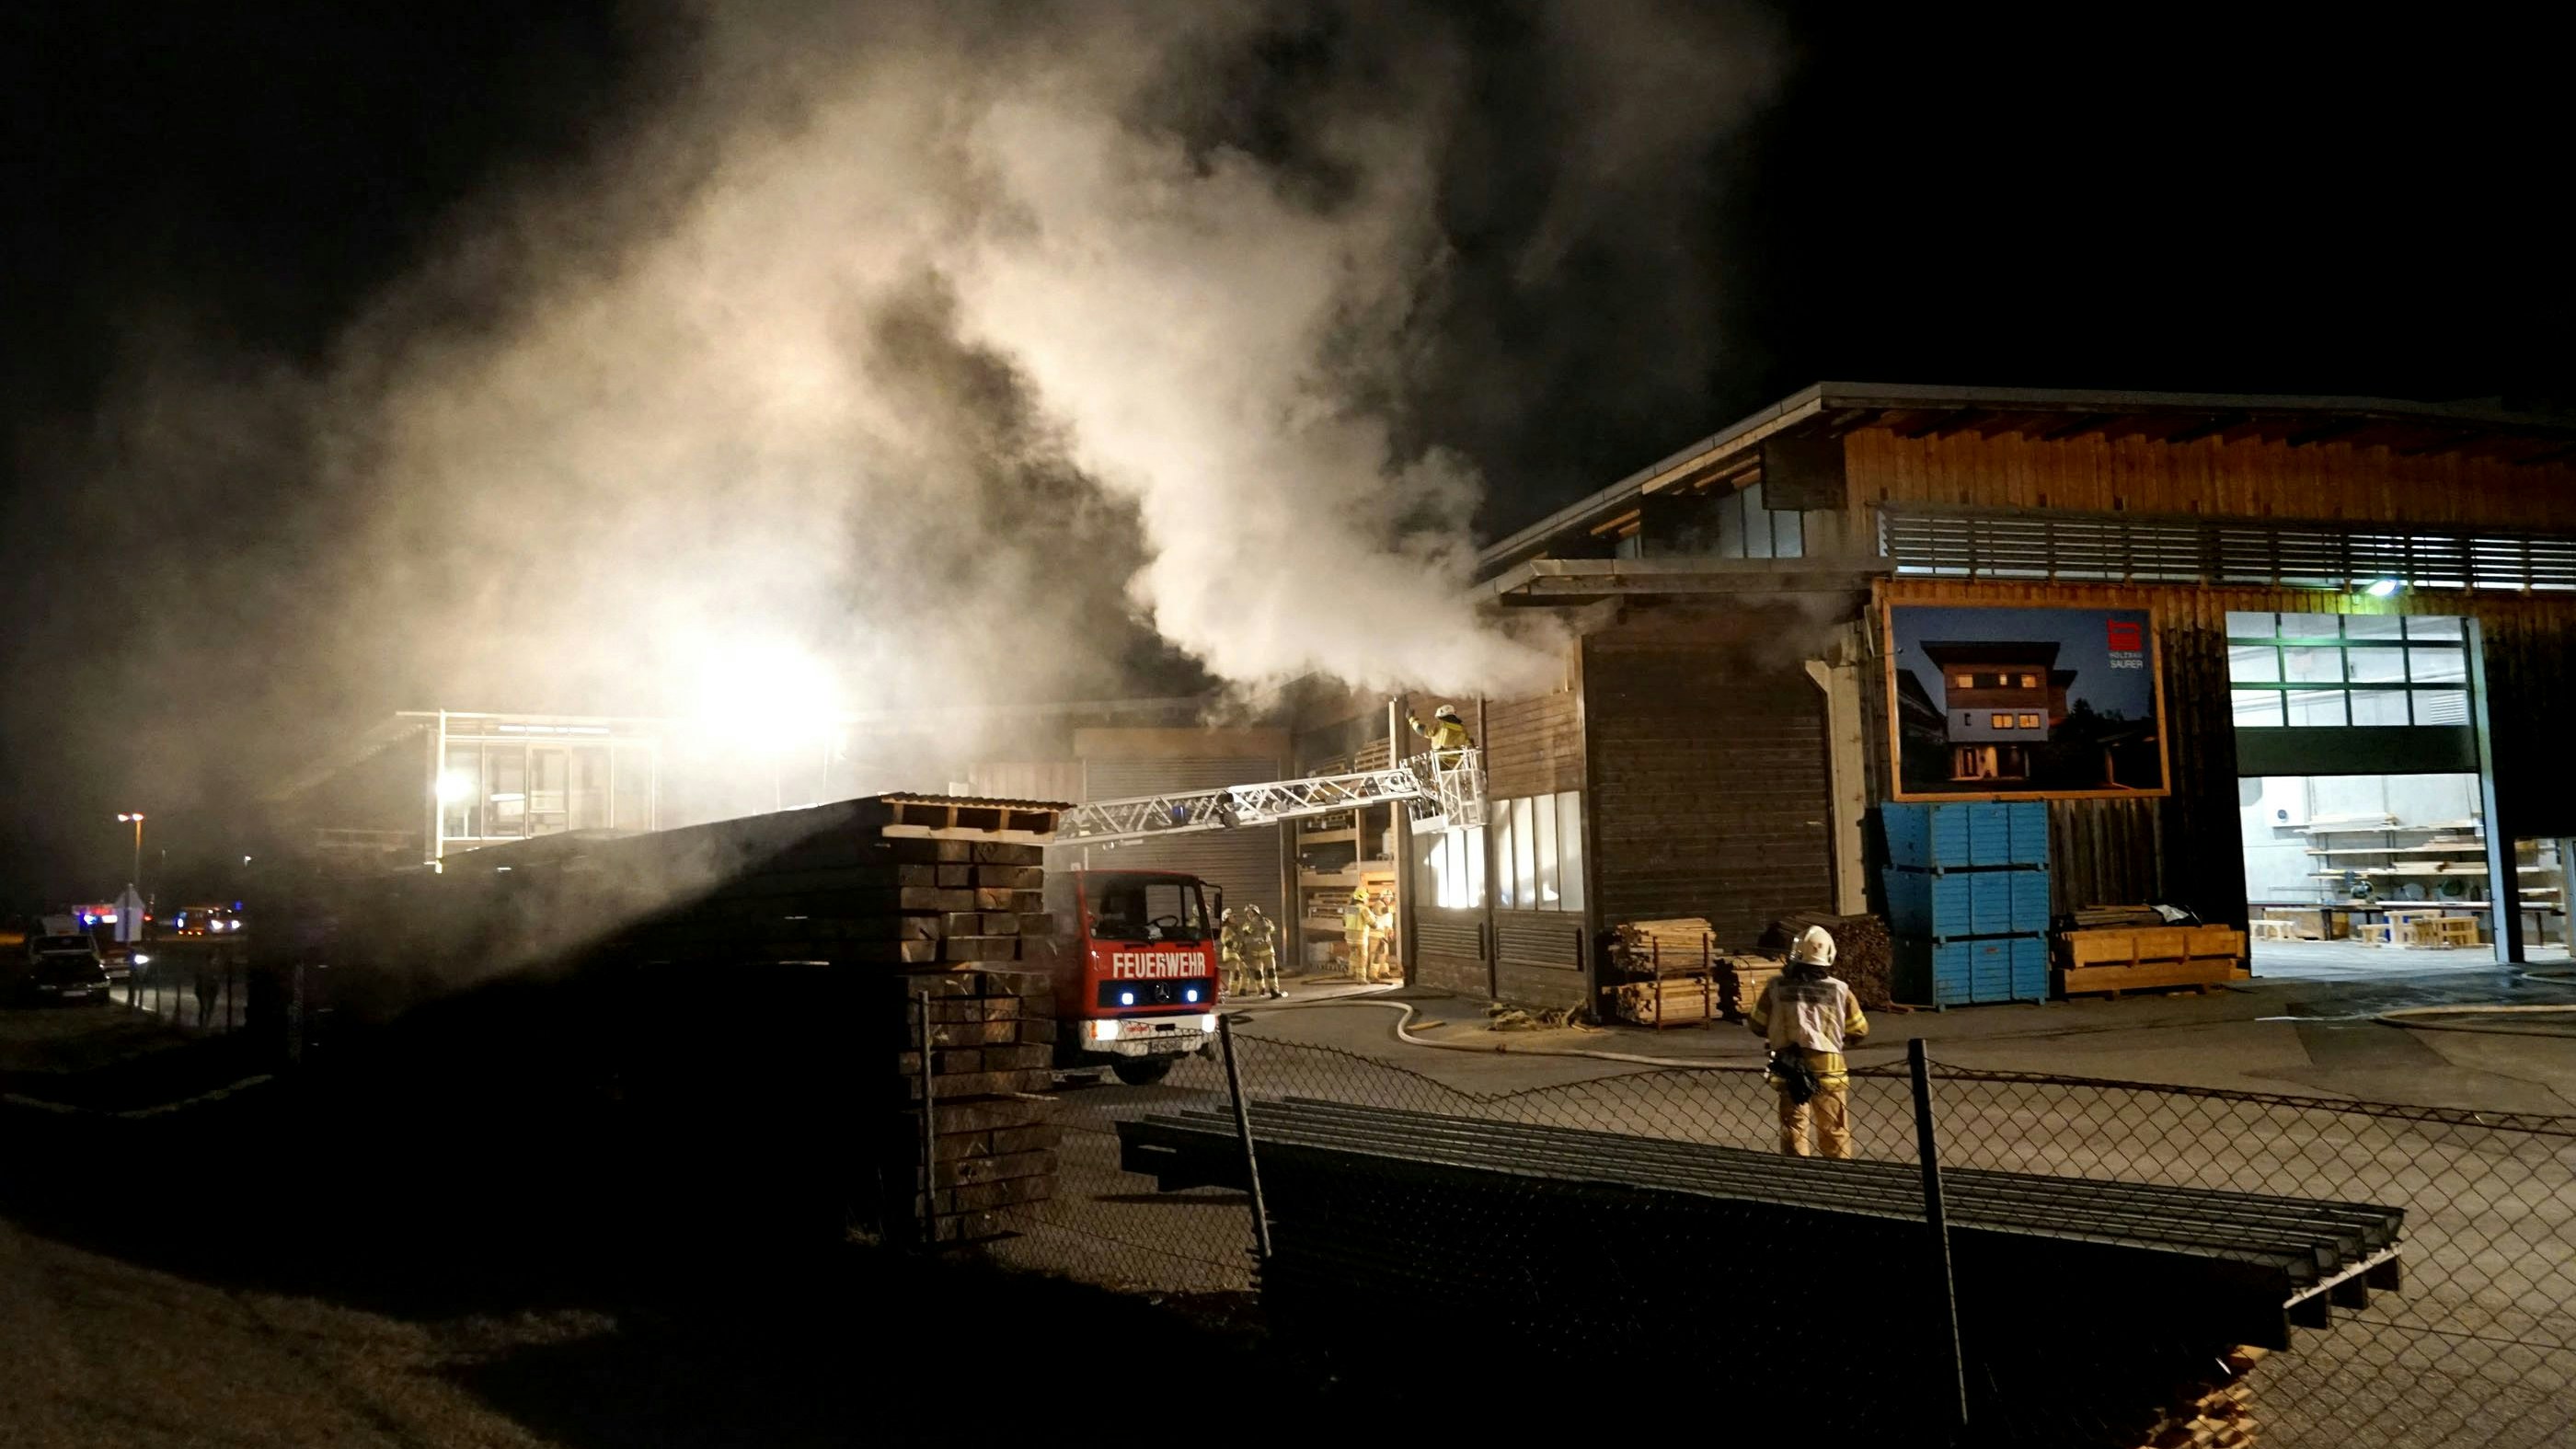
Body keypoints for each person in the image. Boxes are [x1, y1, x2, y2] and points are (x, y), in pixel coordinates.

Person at [1747, 926, 1870, 1159]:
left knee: (1793, 1126)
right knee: (1834, 1127)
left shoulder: (1775, 987)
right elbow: (1859, 1030)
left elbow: (1756, 1024)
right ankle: (1839, 1175)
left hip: (1788, 1064)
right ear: (1829, 956)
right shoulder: (1840, 990)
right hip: (1829, 1065)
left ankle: (1799, 1176)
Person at [1240, 904, 1282, 999]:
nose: (1249, 914)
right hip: (1255, 953)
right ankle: (1260, 990)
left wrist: (1261, 924)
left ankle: (1274, 990)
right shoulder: (1247, 925)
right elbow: (1246, 936)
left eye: (1250, 912)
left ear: (1256, 912)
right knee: (1258, 972)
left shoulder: (1265, 921)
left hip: (1267, 950)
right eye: (1247, 913)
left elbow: (1271, 929)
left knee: (1271, 971)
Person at [1407, 704, 1473, 759]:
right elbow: (1468, 745)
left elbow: (1421, 729)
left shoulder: (1439, 725)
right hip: (1458, 761)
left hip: (1440, 760)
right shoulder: (1462, 729)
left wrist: (1411, 718)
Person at [1218, 907, 1247, 997]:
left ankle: (1242, 990)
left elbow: (1240, 940)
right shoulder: (1226, 928)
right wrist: (1233, 945)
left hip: (1237, 953)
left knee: (1245, 972)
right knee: (1235, 972)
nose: (1234, 918)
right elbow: (1225, 940)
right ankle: (1233, 992)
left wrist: (1242, 947)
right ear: (1226, 918)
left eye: (1234, 917)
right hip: (1230, 953)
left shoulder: (1236, 928)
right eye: (1231, 917)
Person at [1341, 889, 1371, 977]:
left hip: (1349, 938)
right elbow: (1371, 922)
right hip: (1360, 938)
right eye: (1367, 898)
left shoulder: (1350, 909)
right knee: (1362, 957)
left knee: (1353, 955)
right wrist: (1377, 926)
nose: (1367, 900)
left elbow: (1344, 922)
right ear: (1363, 898)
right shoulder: (1364, 909)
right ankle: (1361, 978)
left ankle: (1351, 973)